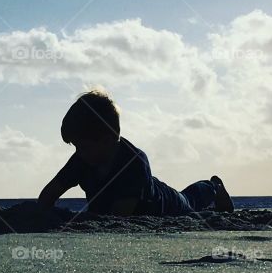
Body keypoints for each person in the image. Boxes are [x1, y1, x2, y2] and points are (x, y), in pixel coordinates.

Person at [37, 90, 233, 216]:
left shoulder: (134, 163)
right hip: (138, 195)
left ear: (108, 140)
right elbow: (47, 196)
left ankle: (214, 187)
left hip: (167, 205)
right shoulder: (82, 159)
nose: (79, 153)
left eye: (85, 146)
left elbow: (118, 217)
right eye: (76, 147)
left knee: (190, 200)